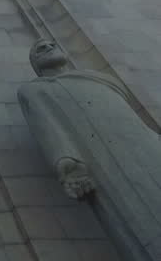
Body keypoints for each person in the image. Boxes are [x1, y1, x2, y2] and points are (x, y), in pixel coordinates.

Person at [19, 39, 161, 260]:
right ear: (35, 65)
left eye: (52, 44)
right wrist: (68, 165)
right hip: (105, 159)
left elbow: (134, 117)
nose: (48, 47)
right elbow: (47, 126)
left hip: (145, 146)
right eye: (40, 49)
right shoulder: (35, 90)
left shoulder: (103, 79)